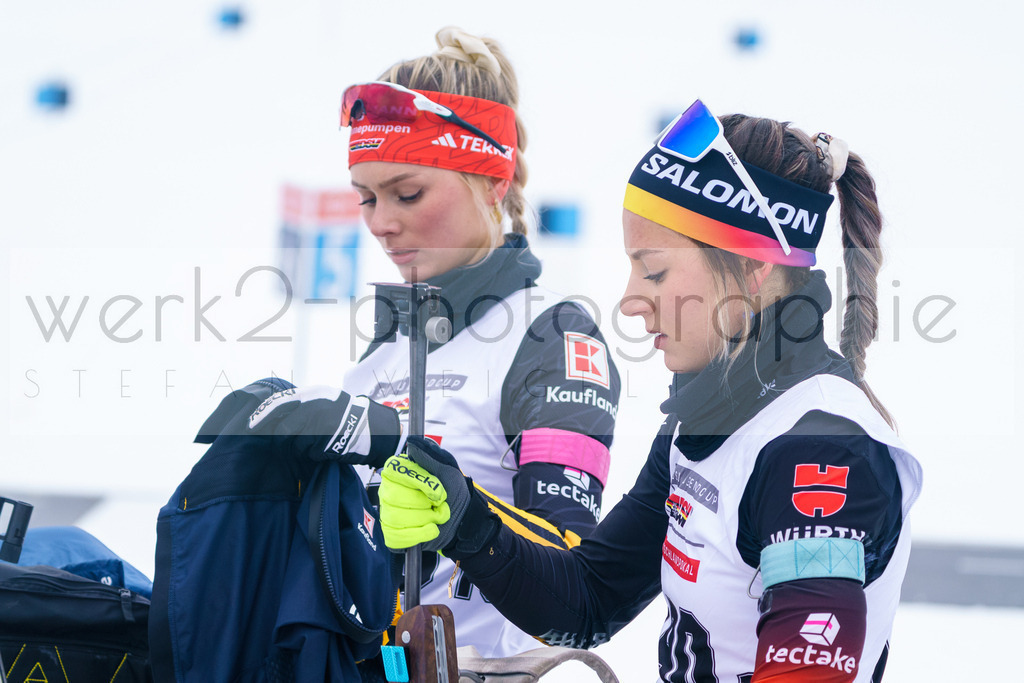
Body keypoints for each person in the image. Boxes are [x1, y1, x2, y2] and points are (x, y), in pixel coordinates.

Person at [378, 99, 923, 682]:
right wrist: (469, 522)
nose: (630, 300)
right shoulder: (711, 414)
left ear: (752, 267)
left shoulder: (820, 446)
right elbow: (589, 601)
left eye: (654, 270)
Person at [329, 27, 618, 659]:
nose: (381, 223)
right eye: (367, 198)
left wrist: (462, 513)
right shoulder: (381, 355)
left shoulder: (550, 335)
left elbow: (572, 574)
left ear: (493, 182)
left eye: (407, 193)